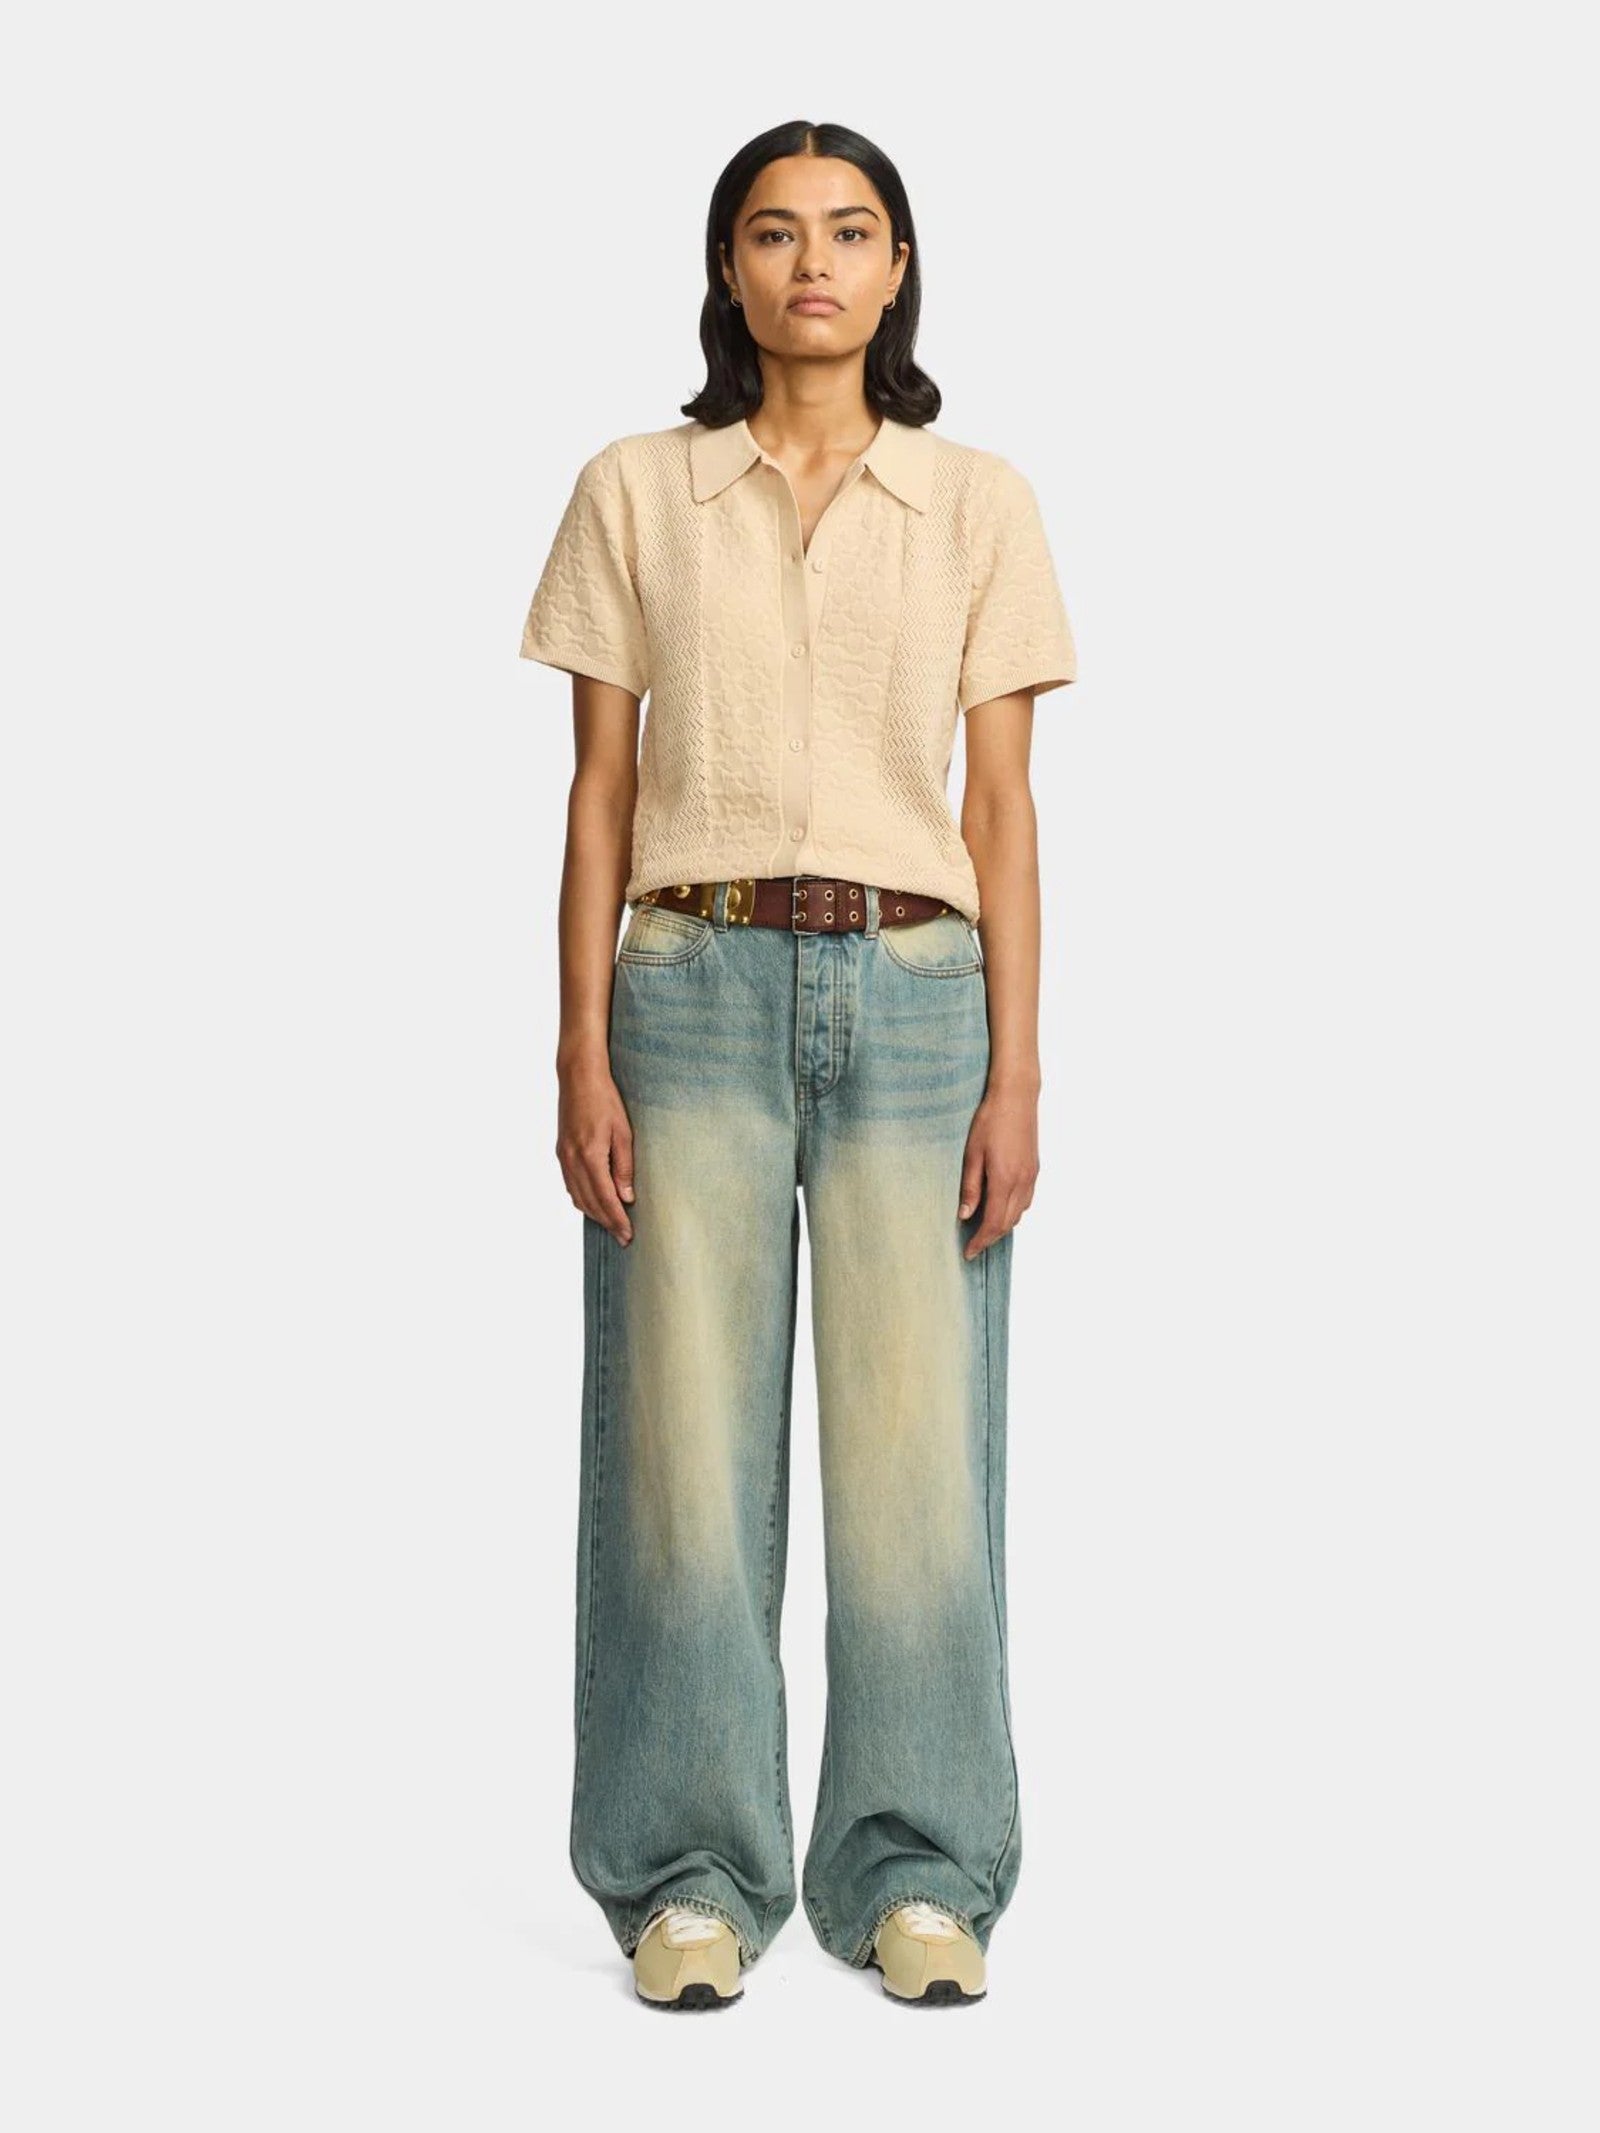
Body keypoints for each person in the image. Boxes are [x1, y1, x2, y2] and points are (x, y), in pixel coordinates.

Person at [518, 118, 1077, 2010]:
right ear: (727, 268)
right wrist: (578, 1043)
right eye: (774, 233)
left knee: (921, 1456)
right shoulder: (637, 491)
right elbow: (599, 792)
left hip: (920, 996)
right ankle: (689, 1872)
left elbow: (1002, 811)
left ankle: (920, 1866)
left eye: (850, 231)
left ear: (899, 268)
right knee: (680, 1447)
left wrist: (1018, 1071)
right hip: (687, 988)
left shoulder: (977, 503)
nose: (812, 264)